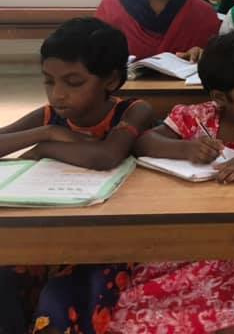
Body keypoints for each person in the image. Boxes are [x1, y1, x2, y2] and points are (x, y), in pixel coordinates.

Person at [111, 31, 234, 332]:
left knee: (233, 307)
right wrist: (185, 148)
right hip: (197, 232)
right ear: (219, 97)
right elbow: (144, 142)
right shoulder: (197, 117)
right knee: (146, 302)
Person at [0, 18, 155, 334]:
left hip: (106, 239)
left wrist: (45, 147)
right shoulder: (49, 117)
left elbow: (105, 156)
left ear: (111, 79)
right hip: (47, 231)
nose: (57, 95)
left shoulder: (132, 111)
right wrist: (46, 132)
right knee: (6, 278)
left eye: (73, 83)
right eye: (49, 81)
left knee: (66, 303)